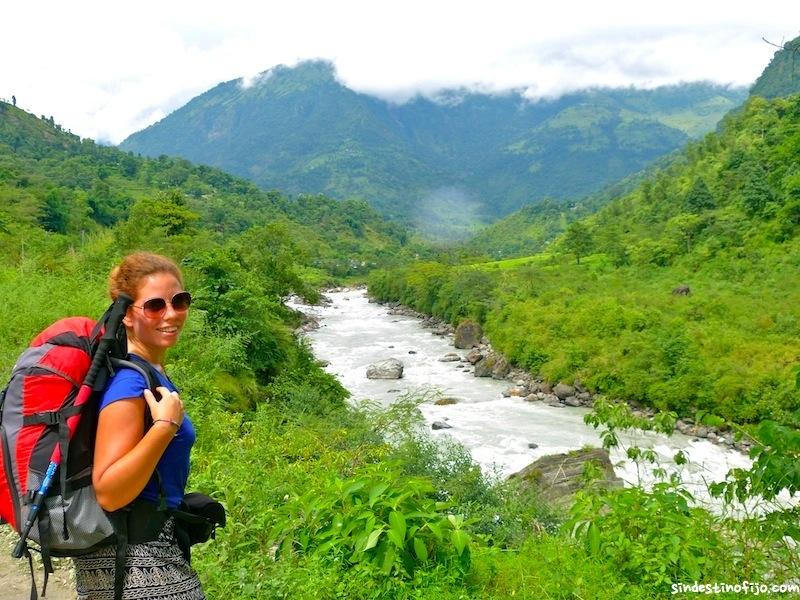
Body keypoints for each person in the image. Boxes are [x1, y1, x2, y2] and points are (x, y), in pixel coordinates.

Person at [73, 252, 204, 600]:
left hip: (141, 552)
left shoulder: (147, 373)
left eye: (180, 301)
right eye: (155, 306)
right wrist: (163, 428)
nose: (172, 314)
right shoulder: (130, 385)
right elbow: (109, 491)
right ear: (128, 314)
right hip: (135, 561)